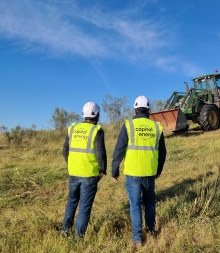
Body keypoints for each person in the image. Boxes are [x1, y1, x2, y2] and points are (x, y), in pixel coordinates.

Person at [112, 95, 167, 248]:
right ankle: (151, 232)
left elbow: (119, 149)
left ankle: (137, 240)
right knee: (149, 203)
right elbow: (162, 152)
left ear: (135, 110)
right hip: (149, 173)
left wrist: (114, 170)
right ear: (149, 110)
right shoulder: (157, 127)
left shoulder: (128, 125)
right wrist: (158, 170)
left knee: (135, 205)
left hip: (133, 174)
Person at [61, 102, 107, 239]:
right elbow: (101, 153)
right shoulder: (97, 130)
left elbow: (65, 151)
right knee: (84, 208)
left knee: (71, 202)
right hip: (90, 175)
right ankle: (78, 238)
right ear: (97, 115)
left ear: (84, 114)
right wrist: (102, 170)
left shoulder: (72, 129)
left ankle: (65, 231)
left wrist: (72, 165)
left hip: (73, 173)